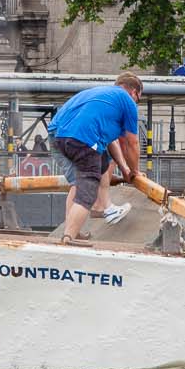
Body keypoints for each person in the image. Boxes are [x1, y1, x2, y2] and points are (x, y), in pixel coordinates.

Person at [48, 72, 143, 244]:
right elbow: (131, 142)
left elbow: (114, 142)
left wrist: (125, 169)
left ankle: (102, 208)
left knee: (97, 167)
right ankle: (69, 237)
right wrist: (135, 171)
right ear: (135, 93)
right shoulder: (127, 101)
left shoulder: (100, 94)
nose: (136, 103)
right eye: (138, 99)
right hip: (82, 139)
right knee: (87, 191)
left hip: (58, 137)